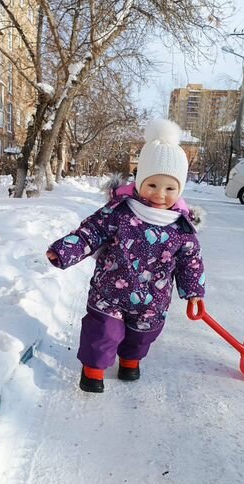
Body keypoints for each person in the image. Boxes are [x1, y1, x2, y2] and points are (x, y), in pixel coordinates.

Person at [46, 119, 205, 393]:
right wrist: (64, 250)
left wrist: (194, 292)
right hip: (110, 290)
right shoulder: (120, 212)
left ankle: (130, 360)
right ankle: (93, 370)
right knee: (103, 331)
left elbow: (190, 263)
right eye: (152, 184)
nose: (160, 194)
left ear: (180, 190)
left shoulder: (182, 228)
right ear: (140, 180)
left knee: (143, 334)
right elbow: (90, 233)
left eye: (170, 188)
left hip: (152, 299)